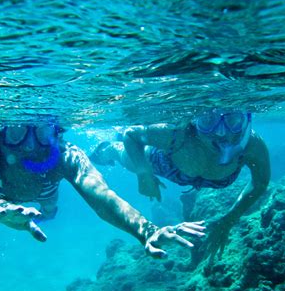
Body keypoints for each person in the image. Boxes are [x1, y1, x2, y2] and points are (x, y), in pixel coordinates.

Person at [0, 121, 206, 259]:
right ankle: (21, 214)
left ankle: (44, 213)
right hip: (1, 199)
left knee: (48, 206)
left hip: (44, 190)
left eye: (43, 132)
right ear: (1, 132)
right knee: (18, 212)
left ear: (55, 133)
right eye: (18, 131)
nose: (31, 145)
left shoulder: (65, 154)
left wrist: (144, 229)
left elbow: (101, 195)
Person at [90, 109, 271, 259]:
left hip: (185, 167)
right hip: (162, 162)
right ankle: (107, 150)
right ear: (194, 122)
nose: (221, 132)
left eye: (232, 120)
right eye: (208, 121)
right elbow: (131, 134)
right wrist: (144, 174)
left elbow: (260, 182)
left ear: (245, 120)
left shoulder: (252, 145)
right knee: (123, 156)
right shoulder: (176, 133)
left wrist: (229, 220)